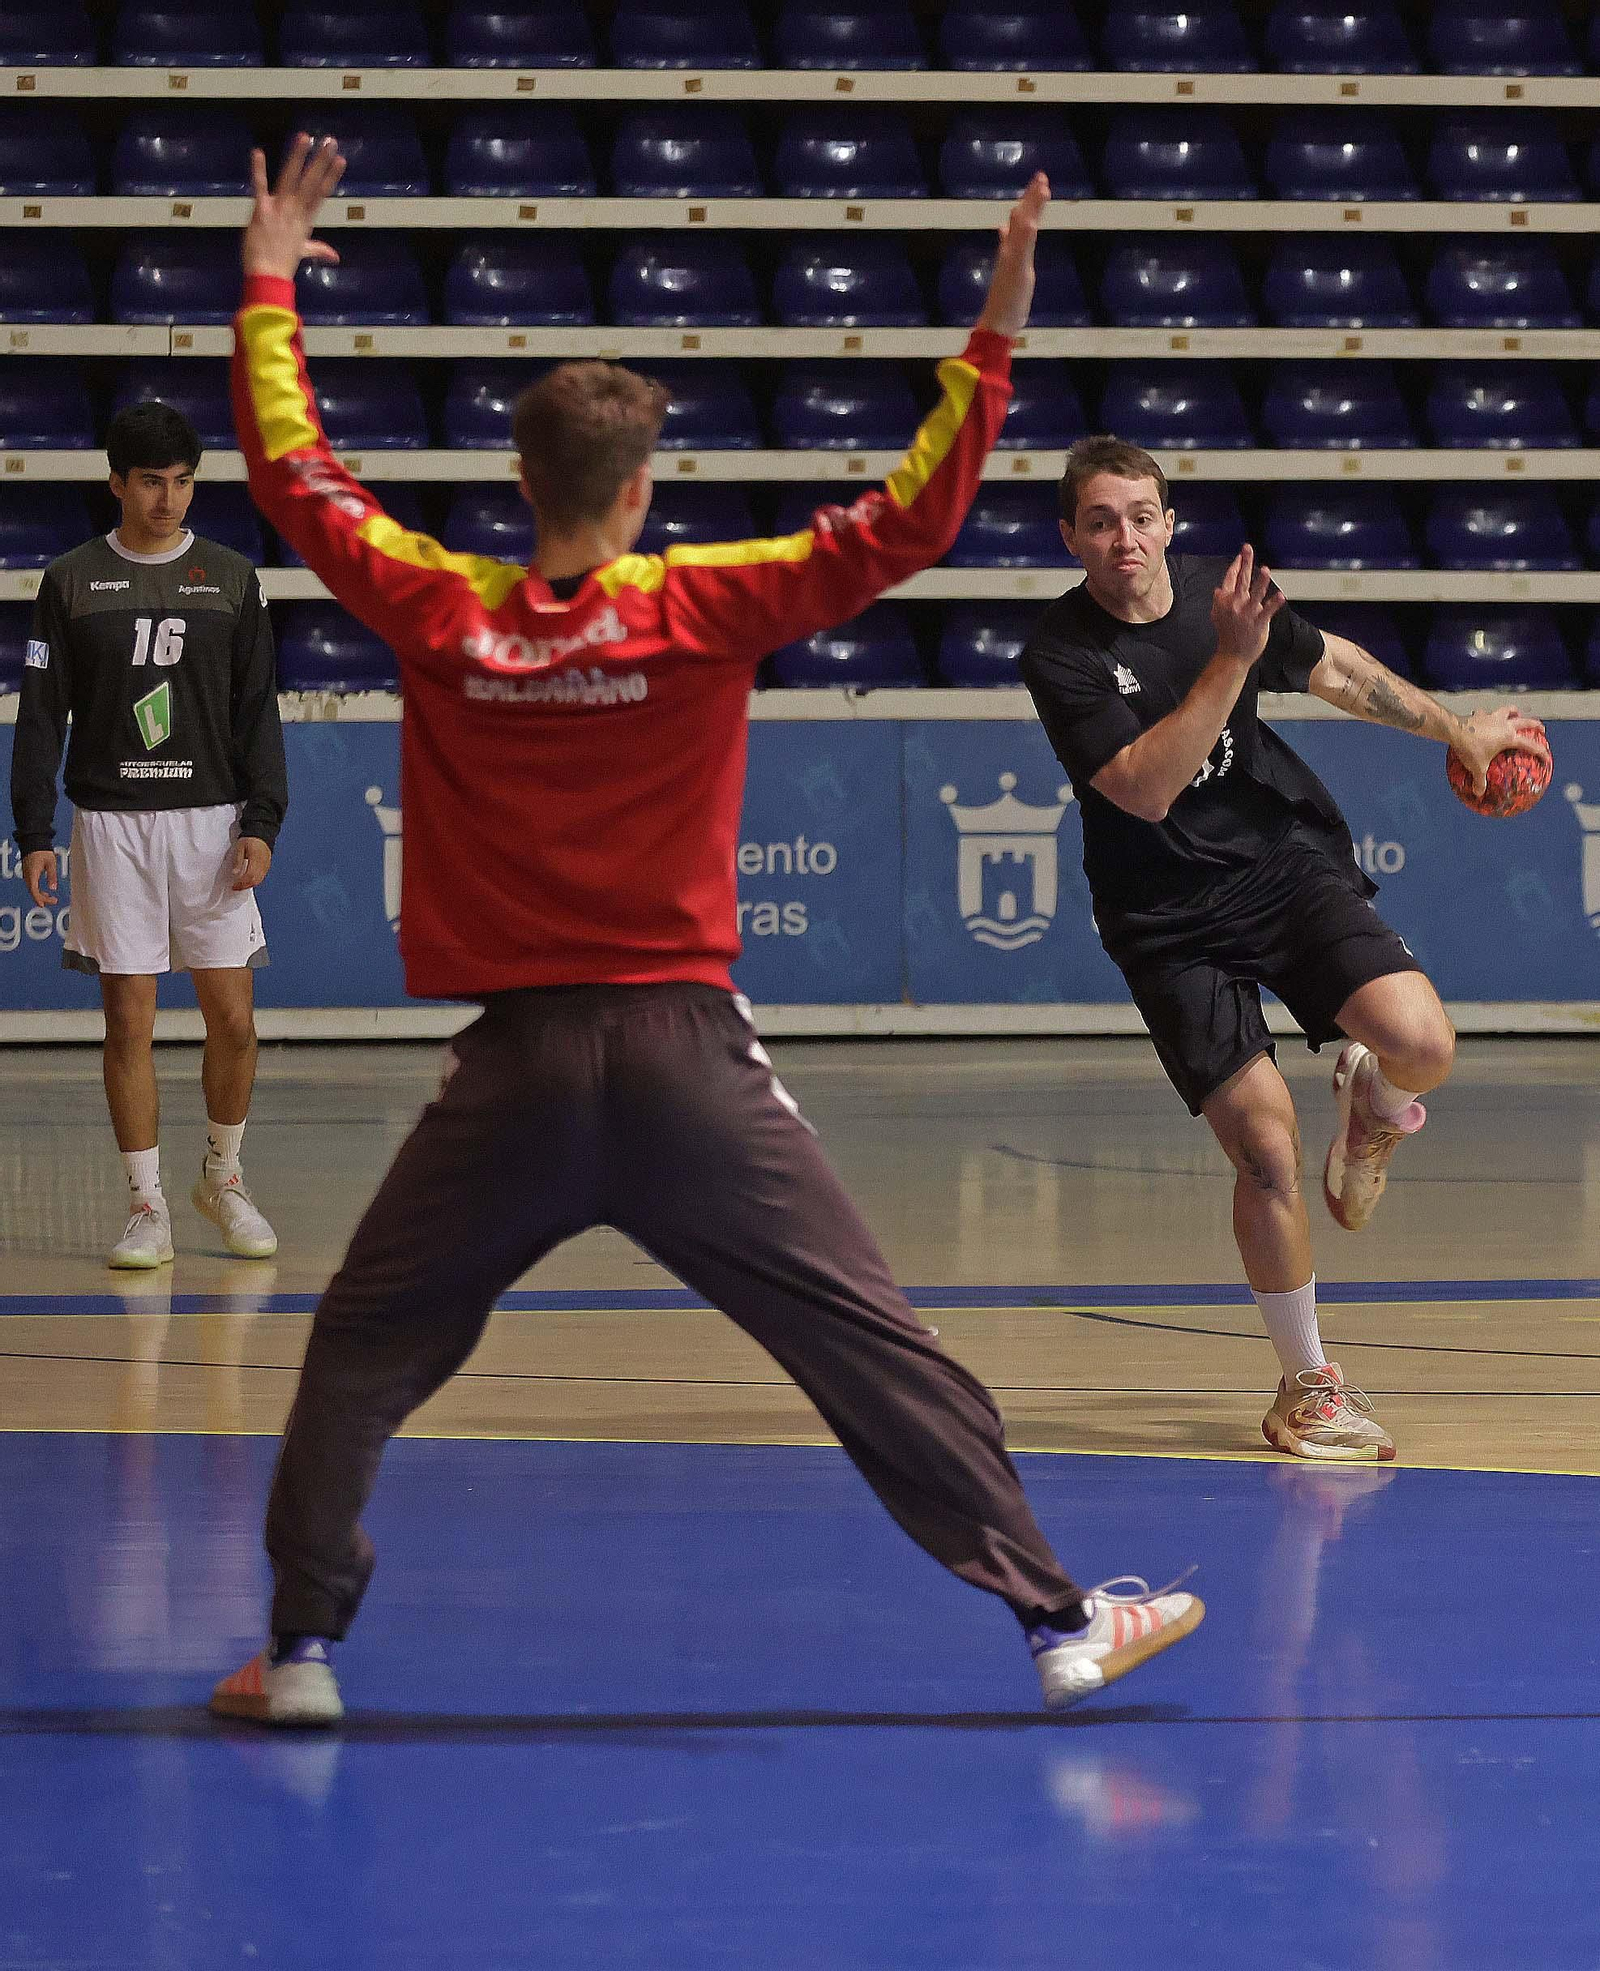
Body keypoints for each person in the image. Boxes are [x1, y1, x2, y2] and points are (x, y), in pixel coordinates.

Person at [209, 139, 1203, 1726]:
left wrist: (268, 277)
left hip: (515, 1073)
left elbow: (292, 474)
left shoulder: (441, 605)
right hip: (687, 1063)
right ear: (642, 490)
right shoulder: (704, 600)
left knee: (360, 1348)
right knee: (871, 1342)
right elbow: (906, 522)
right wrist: (994, 327)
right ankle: (1062, 1618)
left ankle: (307, 1651)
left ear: (521, 486)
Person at [1020, 437, 1548, 1462]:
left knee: (1423, 1045)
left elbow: (1336, 668)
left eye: (1140, 515)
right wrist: (1228, 657)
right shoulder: (1061, 654)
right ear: (1069, 537)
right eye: (1099, 520)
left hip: (1278, 864)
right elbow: (1142, 787)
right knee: (1264, 1148)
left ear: (1170, 524)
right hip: (1165, 919)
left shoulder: (1232, 601)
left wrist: (1456, 732)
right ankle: (1306, 1389)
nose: (1123, 537)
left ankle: (1374, 1113)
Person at [9, 402, 285, 1269]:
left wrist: (262, 819)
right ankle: (145, 1205)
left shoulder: (233, 578)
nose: (168, 499)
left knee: (232, 1018)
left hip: (210, 825)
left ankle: (224, 1178)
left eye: (181, 482)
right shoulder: (72, 580)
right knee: (128, 1020)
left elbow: (257, 712)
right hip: (112, 827)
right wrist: (35, 830)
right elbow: (41, 715)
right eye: (151, 483)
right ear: (118, 483)